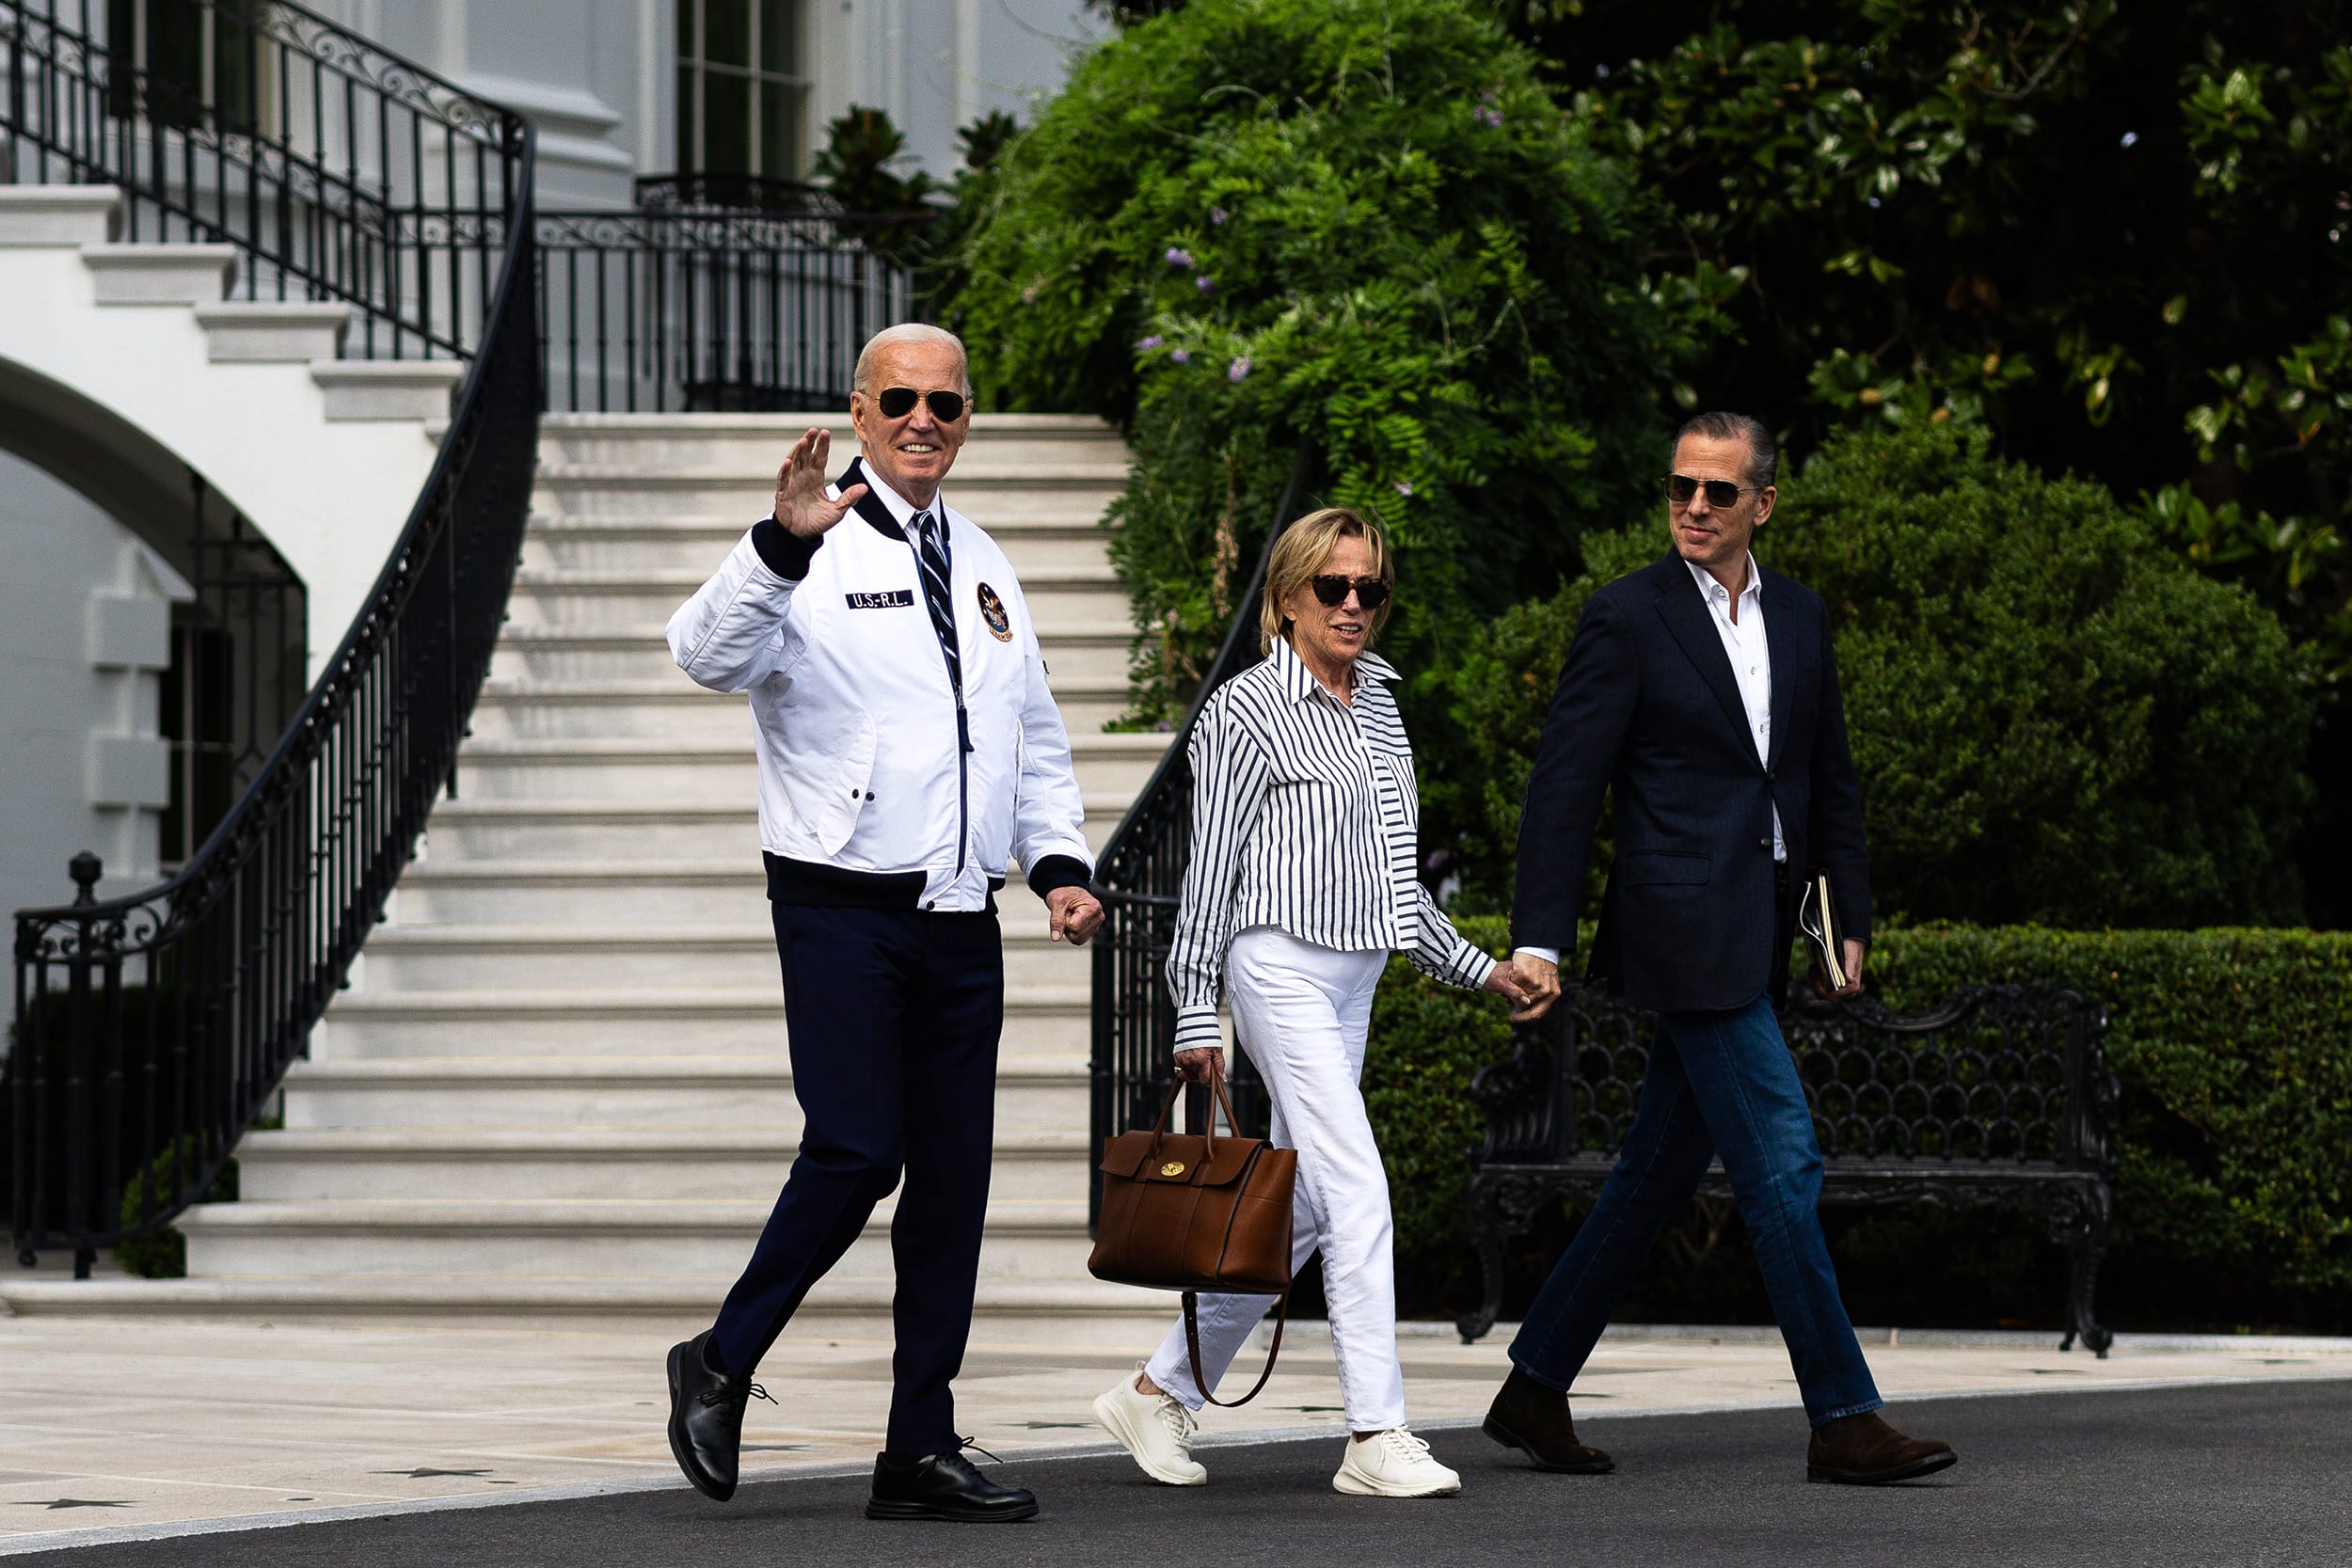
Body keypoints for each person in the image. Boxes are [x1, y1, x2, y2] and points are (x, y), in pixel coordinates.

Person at [661, 323, 1104, 1523]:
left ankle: (918, 1445)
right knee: (858, 1148)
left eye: (946, 404)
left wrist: (1056, 860)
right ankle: (721, 1357)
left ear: (967, 419)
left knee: (952, 1182)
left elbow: (1036, 735)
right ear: (859, 411)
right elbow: (700, 655)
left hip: (961, 914)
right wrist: (774, 548)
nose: (923, 420)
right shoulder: (806, 546)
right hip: (840, 903)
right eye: (900, 399)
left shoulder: (986, 562)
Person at [1490, 411, 1957, 1486]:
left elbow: (1822, 783)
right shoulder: (1625, 617)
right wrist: (1538, 942)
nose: (1692, 506)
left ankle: (1532, 1385)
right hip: (1677, 931)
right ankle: (1842, 1414)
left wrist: (1842, 922)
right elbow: (1564, 790)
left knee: (1654, 1170)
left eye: (1715, 491)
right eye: (1678, 489)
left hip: (1762, 935)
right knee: (1783, 1158)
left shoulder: (1801, 616)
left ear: (1763, 503)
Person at [1089, 508, 1536, 1499]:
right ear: (1286, 597)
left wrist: (1480, 967)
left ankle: (1157, 1386)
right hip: (1275, 963)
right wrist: (1193, 1007)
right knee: (1357, 1183)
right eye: (1329, 588)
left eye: (1367, 589)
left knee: (1292, 1206)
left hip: (1355, 974)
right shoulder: (1244, 710)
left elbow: (1394, 883)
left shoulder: (1381, 704)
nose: (1350, 605)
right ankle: (1375, 1431)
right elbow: (1210, 873)